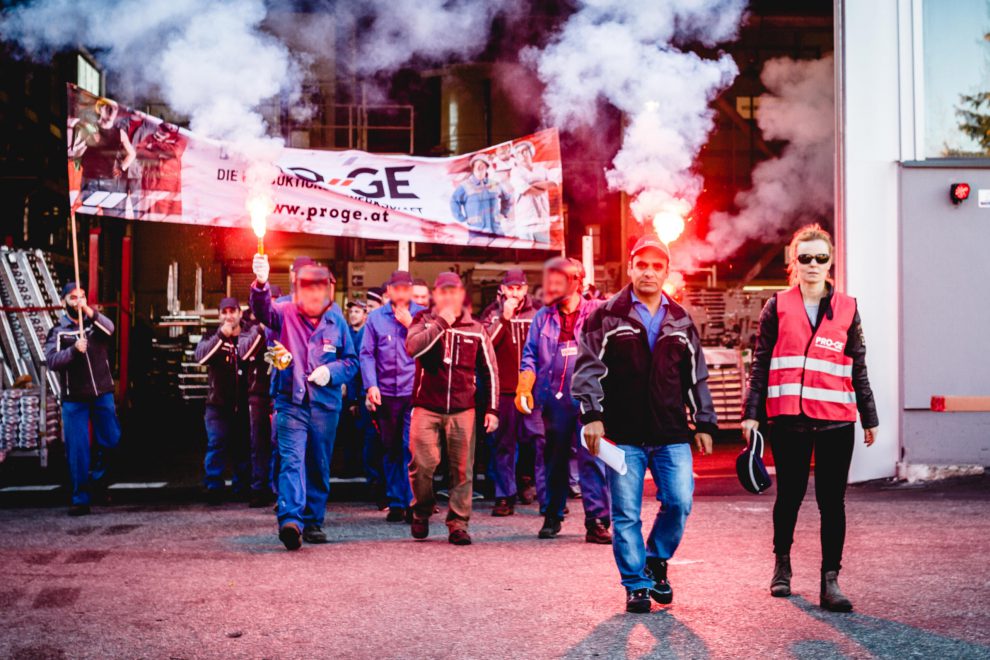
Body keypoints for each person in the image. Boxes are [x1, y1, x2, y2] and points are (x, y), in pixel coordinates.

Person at [573, 234, 717, 613]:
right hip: (622, 435)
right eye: (642, 265)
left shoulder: (681, 319)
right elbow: (587, 368)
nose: (649, 272)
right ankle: (636, 584)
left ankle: (656, 558)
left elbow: (695, 376)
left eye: (657, 266)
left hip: (671, 432)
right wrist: (592, 416)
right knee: (625, 515)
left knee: (679, 501)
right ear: (631, 267)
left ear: (666, 272)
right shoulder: (605, 315)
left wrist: (704, 421)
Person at [741, 223, 879, 613]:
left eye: (821, 258)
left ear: (830, 261)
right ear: (794, 263)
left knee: (832, 502)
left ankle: (830, 581)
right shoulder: (777, 306)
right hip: (789, 420)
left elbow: (859, 367)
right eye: (805, 258)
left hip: (836, 419)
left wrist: (869, 417)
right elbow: (761, 363)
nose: (813, 264)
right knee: (789, 497)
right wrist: (752, 414)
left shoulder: (848, 308)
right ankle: (782, 565)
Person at [250, 253, 358, 551]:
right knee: (292, 460)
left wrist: (331, 372)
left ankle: (313, 520)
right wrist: (261, 283)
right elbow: (262, 310)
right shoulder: (284, 311)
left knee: (318, 464)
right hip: (291, 401)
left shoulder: (336, 319)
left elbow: (351, 361)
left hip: (325, 405)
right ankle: (291, 520)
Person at [517, 258, 611, 544]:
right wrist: (525, 384)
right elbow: (530, 354)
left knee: (592, 457)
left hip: (590, 398)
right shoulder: (542, 317)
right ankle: (552, 515)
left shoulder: (597, 312)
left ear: (577, 282)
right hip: (554, 401)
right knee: (554, 459)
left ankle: (596, 520)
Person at [405, 272, 499, 545]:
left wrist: (492, 409)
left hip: (463, 409)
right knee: (421, 465)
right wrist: (441, 323)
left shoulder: (476, 328)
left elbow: (490, 370)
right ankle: (421, 510)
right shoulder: (422, 320)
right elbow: (413, 347)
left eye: (453, 292)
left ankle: (458, 523)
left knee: (462, 470)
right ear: (435, 295)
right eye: (443, 292)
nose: (448, 297)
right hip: (426, 406)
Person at [44, 283, 121, 516]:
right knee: (78, 449)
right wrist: (73, 350)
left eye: (82, 296)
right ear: (64, 301)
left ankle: (99, 482)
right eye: (73, 297)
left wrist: (88, 310)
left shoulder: (94, 323)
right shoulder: (59, 331)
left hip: (102, 393)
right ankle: (80, 497)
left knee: (111, 439)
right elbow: (52, 361)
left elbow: (110, 328)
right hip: (74, 398)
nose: (78, 300)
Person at [360, 270, 427, 522]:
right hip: (386, 393)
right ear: (389, 291)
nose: (401, 293)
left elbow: (431, 347)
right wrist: (371, 385)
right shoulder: (376, 318)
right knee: (390, 449)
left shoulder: (421, 314)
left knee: (411, 447)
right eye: (396, 288)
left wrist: (412, 325)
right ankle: (396, 501)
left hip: (414, 392)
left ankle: (413, 501)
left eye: (405, 288)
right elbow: (366, 353)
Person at [483, 268, 542, 516]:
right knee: (504, 445)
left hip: (534, 390)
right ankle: (504, 495)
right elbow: (485, 347)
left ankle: (545, 493)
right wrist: (504, 319)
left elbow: (545, 350)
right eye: (511, 288)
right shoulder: (491, 315)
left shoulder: (537, 314)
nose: (515, 293)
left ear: (526, 289)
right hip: (505, 390)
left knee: (540, 442)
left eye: (519, 288)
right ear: (502, 289)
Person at [194, 298, 251, 504]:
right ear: (219, 315)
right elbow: (200, 358)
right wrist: (221, 336)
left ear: (240, 312)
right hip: (217, 404)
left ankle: (242, 486)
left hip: (244, 404)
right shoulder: (210, 336)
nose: (229, 316)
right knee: (217, 443)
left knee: (243, 446)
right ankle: (213, 486)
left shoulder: (248, 335)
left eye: (232, 311)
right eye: (224, 312)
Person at [238, 313, 276, 508]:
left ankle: (279, 490)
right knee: (259, 443)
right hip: (258, 392)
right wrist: (262, 329)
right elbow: (243, 353)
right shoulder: (250, 327)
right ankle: (259, 489)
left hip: (281, 392)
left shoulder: (286, 322)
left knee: (281, 443)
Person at [450, 153, 513, 235]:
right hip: (477, 233)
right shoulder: (465, 185)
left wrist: (503, 213)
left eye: (483, 165)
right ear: (473, 168)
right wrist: (462, 219)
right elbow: (454, 201)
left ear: (486, 168)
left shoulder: (494, 184)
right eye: (477, 165)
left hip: (496, 231)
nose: (480, 168)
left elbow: (507, 198)